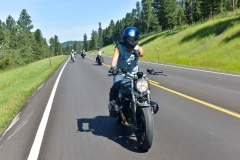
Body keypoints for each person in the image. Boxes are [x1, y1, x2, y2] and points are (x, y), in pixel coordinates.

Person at [108, 26, 144, 102]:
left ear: (136, 40)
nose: (131, 41)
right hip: (121, 74)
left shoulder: (136, 47)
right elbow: (114, 58)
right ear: (125, 39)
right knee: (116, 86)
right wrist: (113, 68)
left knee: (144, 87)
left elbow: (141, 51)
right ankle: (113, 106)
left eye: (132, 39)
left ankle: (147, 105)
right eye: (129, 39)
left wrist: (138, 52)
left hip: (134, 75)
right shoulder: (119, 47)